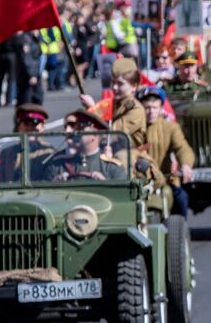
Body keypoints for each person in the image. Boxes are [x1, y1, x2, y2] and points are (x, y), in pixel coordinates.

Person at [137, 86, 195, 217]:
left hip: (166, 179)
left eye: (155, 108)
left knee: (181, 199)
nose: (151, 112)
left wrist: (186, 165)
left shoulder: (170, 127)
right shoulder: (133, 128)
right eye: (147, 108)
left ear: (161, 108)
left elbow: (182, 147)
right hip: (138, 181)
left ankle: (180, 232)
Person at [41, 110, 127, 181]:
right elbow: (41, 195)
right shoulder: (57, 165)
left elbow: (122, 198)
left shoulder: (111, 168)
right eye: (75, 129)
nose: (75, 133)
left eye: (81, 130)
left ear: (95, 135)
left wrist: (105, 183)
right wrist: (54, 184)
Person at [81, 56, 146, 144]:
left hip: (129, 154)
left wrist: (93, 108)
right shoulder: (113, 103)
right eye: (113, 82)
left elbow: (112, 134)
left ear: (134, 86)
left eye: (120, 84)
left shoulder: (136, 110)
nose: (115, 87)